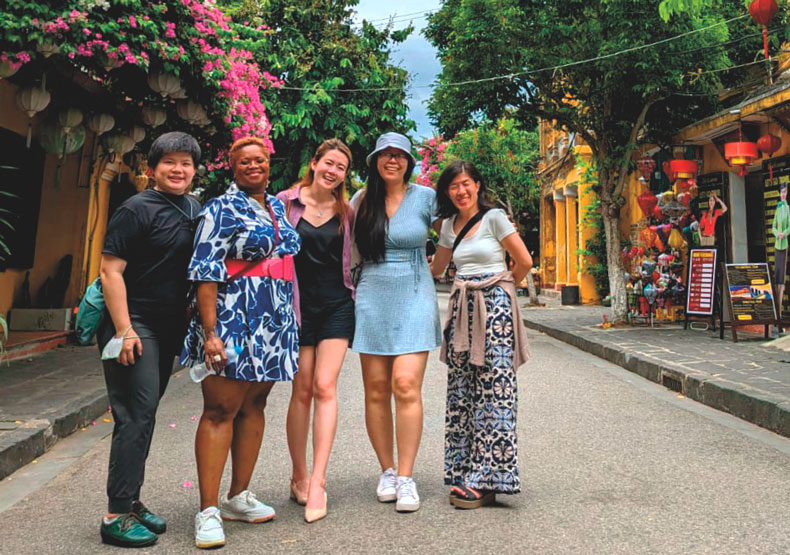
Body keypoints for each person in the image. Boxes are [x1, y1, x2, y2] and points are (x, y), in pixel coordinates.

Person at [180, 137, 301, 549]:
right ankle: (208, 510)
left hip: (272, 325)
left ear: (269, 164)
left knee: (255, 405)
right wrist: (211, 333)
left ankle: (238, 496)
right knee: (219, 410)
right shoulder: (219, 208)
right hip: (232, 320)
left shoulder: (278, 208)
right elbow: (205, 271)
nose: (254, 166)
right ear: (231, 166)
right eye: (245, 161)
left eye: (260, 160)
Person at [97, 132, 202, 547]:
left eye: (186, 163)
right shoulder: (135, 209)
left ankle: (131, 500)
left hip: (169, 325)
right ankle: (115, 514)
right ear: (152, 169)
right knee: (135, 416)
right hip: (134, 324)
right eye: (169, 163)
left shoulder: (193, 208)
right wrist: (124, 329)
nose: (178, 170)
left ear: (195, 170)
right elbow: (111, 271)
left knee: (146, 414)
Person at [430, 160, 532, 510]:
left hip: (495, 310)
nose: (461, 191)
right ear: (447, 191)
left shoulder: (495, 218)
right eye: (453, 186)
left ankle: (489, 478)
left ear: (477, 184)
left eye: (466, 183)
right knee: (462, 391)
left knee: (494, 390)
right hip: (461, 309)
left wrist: (499, 291)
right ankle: (463, 470)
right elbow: (438, 268)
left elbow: (524, 262)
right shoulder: (447, 226)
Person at [351, 132, 442, 513]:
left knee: (405, 384)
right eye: (385, 155)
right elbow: (344, 248)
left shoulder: (427, 197)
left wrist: (446, 268)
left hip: (415, 291)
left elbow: (457, 227)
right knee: (375, 388)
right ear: (374, 160)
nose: (393, 160)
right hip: (372, 292)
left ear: (409, 161)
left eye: (400, 155)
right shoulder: (361, 199)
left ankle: (406, 477)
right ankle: (386, 470)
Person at [276, 139, 355, 523]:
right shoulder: (286, 202)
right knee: (302, 388)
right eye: (329, 163)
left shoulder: (347, 210)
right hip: (296, 307)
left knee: (326, 385)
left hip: (337, 305)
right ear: (314, 163)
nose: (333, 171)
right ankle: (299, 474)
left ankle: (319, 481)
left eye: (340, 167)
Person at [772, 183, 790, 316]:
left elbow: (789, 226)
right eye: (781, 192)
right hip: (777, 244)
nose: (783, 194)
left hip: (783, 244)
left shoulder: (788, 208)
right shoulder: (778, 208)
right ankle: (776, 308)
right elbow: (773, 226)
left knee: (782, 277)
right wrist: (776, 233)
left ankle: (780, 306)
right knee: (777, 275)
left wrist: (784, 233)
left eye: (784, 192)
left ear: (787, 193)